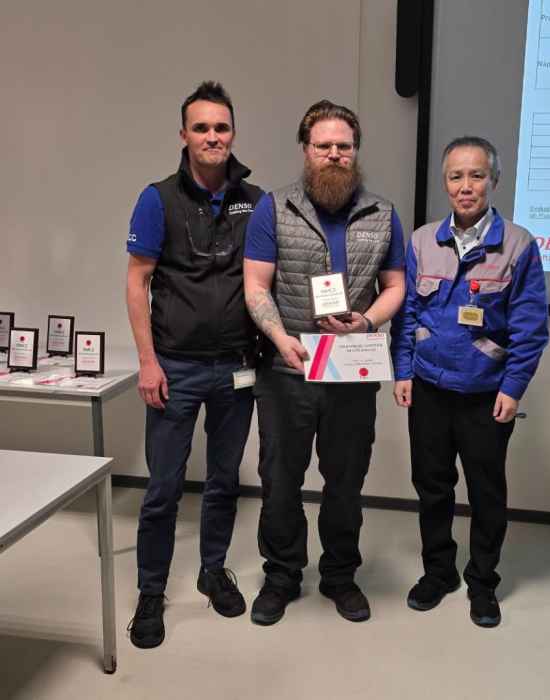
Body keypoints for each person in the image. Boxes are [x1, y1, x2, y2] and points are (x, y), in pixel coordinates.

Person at [243, 99, 406, 625]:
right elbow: (256, 286)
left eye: (344, 146)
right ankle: (281, 576)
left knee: (345, 483)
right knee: (280, 481)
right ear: (305, 150)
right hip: (287, 371)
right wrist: (279, 337)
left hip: (351, 371)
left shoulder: (383, 214)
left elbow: (396, 286)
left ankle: (339, 575)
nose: (334, 154)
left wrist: (367, 322)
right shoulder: (274, 208)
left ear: (355, 151)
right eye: (323, 146)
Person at [125, 81, 263, 648]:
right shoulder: (157, 198)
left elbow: (265, 279)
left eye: (221, 127)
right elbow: (137, 281)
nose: (212, 136)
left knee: (224, 481)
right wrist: (147, 362)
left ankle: (212, 570)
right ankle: (151, 592)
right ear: (183, 134)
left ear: (233, 134)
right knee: (163, 487)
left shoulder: (255, 200)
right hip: (174, 369)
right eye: (201, 127)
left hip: (237, 367)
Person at [390, 136, 548, 627]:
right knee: (432, 488)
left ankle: (483, 582)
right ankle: (438, 573)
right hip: (429, 389)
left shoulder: (518, 245)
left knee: (486, 493)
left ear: (493, 181)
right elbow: (407, 314)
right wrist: (403, 371)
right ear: (445, 183)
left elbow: (530, 329)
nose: (465, 186)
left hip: (486, 394)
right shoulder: (422, 241)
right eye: (456, 176)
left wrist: (512, 388)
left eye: (476, 175)